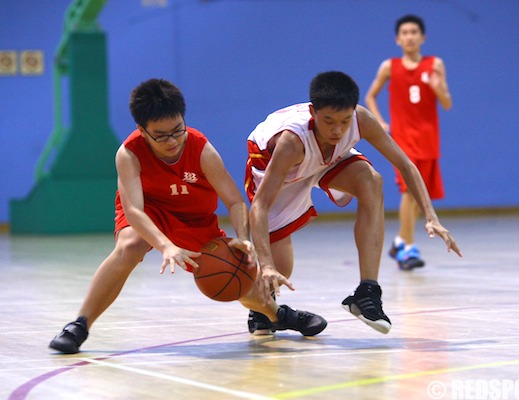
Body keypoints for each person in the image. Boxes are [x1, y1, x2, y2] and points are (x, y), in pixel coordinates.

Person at [49, 79, 325, 354]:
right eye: (160, 135)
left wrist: (242, 239)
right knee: (129, 246)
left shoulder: (200, 147)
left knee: (233, 275)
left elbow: (234, 201)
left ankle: (279, 315)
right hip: (151, 212)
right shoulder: (129, 154)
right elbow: (133, 210)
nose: (171, 141)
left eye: (177, 131)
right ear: (142, 130)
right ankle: (79, 325)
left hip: (195, 220)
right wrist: (165, 245)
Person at [245, 71, 461, 335]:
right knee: (281, 268)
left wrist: (431, 216)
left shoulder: (361, 120)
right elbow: (260, 207)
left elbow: (405, 164)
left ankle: (367, 292)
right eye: (329, 121)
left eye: (344, 121)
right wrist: (266, 264)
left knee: (372, 181)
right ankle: (262, 311)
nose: (337, 130)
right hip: (281, 169)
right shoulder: (291, 142)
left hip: (326, 159)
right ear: (313, 112)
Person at [365, 14, 452, 271]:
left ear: (423, 37)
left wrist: (438, 87)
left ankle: (399, 241)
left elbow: (447, 103)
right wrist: (379, 121)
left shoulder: (435, 64)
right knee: (408, 191)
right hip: (402, 138)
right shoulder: (389, 66)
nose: (410, 36)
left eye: (414, 32)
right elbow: (371, 96)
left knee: (419, 195)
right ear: (397, 39)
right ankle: (408, 248)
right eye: (405, 32)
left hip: (428, 137)